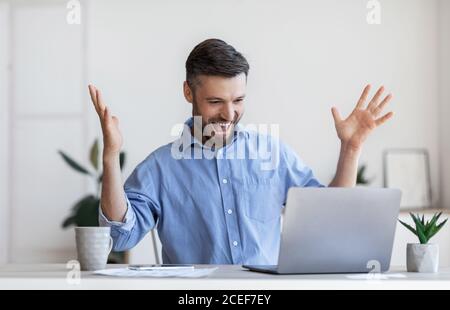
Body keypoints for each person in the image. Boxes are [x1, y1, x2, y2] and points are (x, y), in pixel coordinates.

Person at [89, 38, 393, 265]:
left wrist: (351, 148)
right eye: (215, 102)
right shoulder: (161, 167)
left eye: (238, 100)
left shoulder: (272, 153)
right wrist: (110, 156)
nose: (229, 114)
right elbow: (118, 236)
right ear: (188, 92)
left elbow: (330, 221)